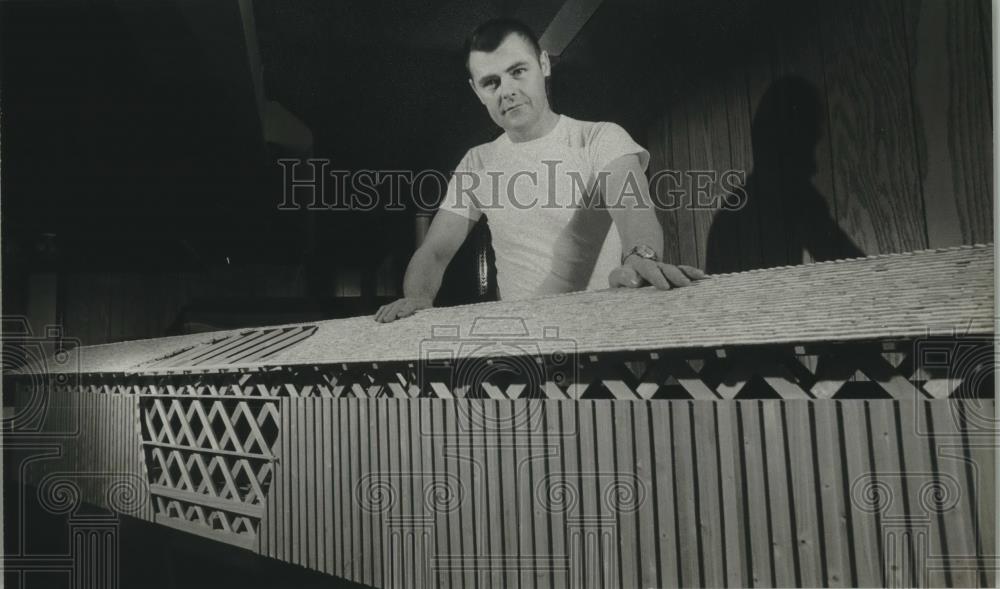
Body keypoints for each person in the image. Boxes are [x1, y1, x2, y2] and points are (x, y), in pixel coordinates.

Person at [374, 18, 706, 323]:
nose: (507, 91)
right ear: (477, 91)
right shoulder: (477, 162)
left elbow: (634, 210)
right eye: (491, 82)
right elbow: (435, 250)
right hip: (523, 344)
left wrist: (640, 256)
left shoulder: (599, 138)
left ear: (544, 64)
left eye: (518, 71)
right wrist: (417, 297)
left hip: (599, 333)